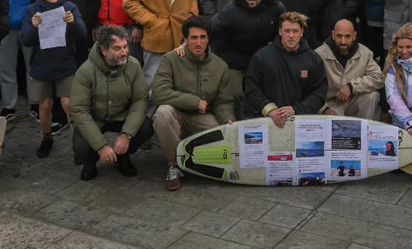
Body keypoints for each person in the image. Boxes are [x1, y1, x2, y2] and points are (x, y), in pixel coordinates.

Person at [154, 15, 236, 191]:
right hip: (178, 114)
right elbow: (159, 93)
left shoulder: (220, 66)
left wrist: (228, 119)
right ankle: (174, 166)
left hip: (203, 117)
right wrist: (195, 102)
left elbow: (224, 101)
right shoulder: (170, 59)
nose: (198, 42)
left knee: (225, 140)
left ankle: (197, 161)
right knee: (162, 113)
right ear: (185, 39)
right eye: (193, 37)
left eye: (202, 37)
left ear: (208, 39)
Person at [70, 25, 153, 180]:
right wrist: (100, 146)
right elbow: (79, 110)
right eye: (117, 48)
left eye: (125, 47)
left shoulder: (133, 65)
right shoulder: (85, 71)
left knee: (146, 127)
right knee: (81, 146)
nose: (124, 52)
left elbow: (140, 100)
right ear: (104, 50)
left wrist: (127, 134)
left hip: (121, 115)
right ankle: (90, 161)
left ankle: (123, 155)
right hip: (95, 118)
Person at [21, 0, 88, 158]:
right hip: (42, 64)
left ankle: (78, 142)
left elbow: (83, 35)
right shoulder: (32, 10)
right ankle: (47, 137)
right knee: (46, 104)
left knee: (69, 103)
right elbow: (26, 40)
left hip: (65, 62)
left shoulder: (70, 7)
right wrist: (34, 27)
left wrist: (74, 22)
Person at [243, 12, 328, 126]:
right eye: (287, 31)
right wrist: (269, 109)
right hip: (268, 122)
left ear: (302, 32)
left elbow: (319, 93)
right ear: (280, 31)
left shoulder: (314, 59)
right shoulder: (262, 56)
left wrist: (297, 109)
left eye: (295, 31)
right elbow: (251, 87)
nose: (291, 35)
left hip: (303, 125)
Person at [315, 19, 383, 118]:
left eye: (347, 36)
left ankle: (363, 130)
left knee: (372, 95)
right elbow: (308, 88)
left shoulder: (365, 53)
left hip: (353, 101)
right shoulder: (318, 55)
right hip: (329, 105)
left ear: (354, 36)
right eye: (339, 36)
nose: (343, 41)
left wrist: (352, 87)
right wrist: (323, 109)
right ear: (333, 35)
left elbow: (379, 78)